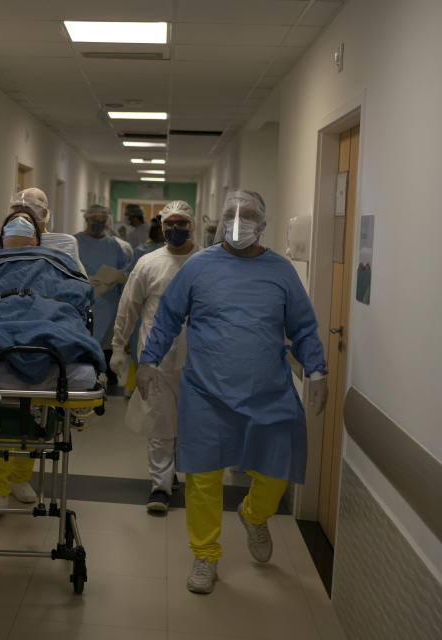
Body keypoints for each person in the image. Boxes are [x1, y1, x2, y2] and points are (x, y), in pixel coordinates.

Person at [138, 190, 328, 595]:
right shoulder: (199, 266)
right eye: (230, 214)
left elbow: (303, 325)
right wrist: (147, 360)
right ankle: (205, 555)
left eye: (248, 214)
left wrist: (317, 370)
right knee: (203, 479)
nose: (238, 221)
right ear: (217, 221)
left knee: (277, 471)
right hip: (206, 391)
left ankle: (254, 515)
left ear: (264, 222)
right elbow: (167, 316)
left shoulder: (281, 271)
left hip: (269, 391)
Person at [111, 201, 198, 514]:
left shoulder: (205, 263)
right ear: (162, 227)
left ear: (192, 225)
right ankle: (159, 486)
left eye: (182, 223)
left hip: (199, 361)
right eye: (169, 223)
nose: (175, 229)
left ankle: (174, 472)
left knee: (190, 425)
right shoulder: (148, 264)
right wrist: (119, 346)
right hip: (156, 360)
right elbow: (129, 307)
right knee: (160, 422)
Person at [0, 211, 44, 509]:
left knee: (29, 418)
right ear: (2, 233)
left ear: (37, 235)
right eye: (14, 220)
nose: (19, 225)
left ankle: (20, 478)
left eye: (26, 221)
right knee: (0, 419)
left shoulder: (53, 260)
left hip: (38, 334)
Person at [74, 204, 130, 384]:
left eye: (102, 221)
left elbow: (124, 268)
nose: (98, 224)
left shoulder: (113, 245)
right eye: (94, 221)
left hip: (109, 303)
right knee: (84, 343)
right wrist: (82, 278)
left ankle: (103, 378)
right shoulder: (74, 242)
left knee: (105, 345)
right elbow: (63, 270)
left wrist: (122, 277)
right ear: (86, 220)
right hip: (82, 302)